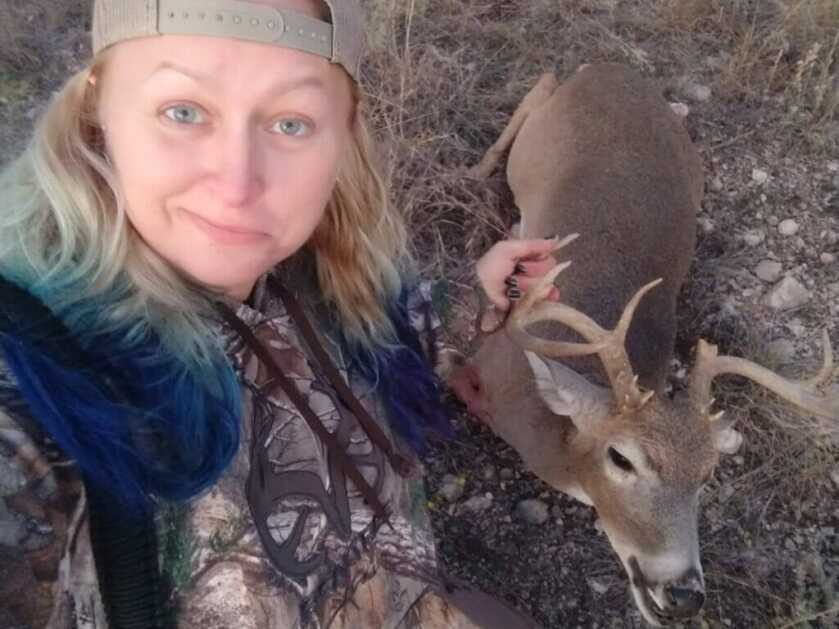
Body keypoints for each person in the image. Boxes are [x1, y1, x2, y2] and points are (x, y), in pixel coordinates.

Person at [0, 1, 560, 627]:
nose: (238, 185)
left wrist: (474, 298)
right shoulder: (33, 377)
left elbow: (387, 335)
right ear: (97, 110)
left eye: (291, 123)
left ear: (344, 133)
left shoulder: (324, 264)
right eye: (182, 112)